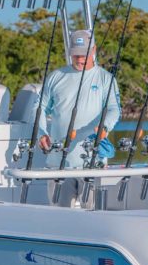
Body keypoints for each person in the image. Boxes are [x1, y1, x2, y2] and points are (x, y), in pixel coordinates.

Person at [37, 29, 120, 169]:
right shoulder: (55, 77)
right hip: (57, 164)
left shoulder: (106, 78)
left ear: (94, 49)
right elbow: (39, 108)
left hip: (94, 163)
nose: (80, 59)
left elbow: (114, 109)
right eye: (76, 54)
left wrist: (104, 126)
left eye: (84, 54)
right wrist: (41, 133)